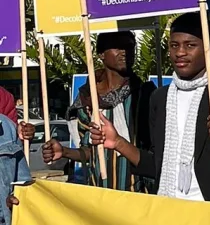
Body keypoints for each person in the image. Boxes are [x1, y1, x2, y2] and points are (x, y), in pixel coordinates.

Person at [90, 13, 210, 202]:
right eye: (174, 45)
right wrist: (118, 142)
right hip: (168, 211)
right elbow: (157, 167)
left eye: (190, 45)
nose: (180, 53)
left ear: (209, 48)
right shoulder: (160, 98)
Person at [32, 31, 155, 191]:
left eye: (130, 46)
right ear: (101, 54)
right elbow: (90, 151)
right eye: (117, 46)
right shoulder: (87, 99)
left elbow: (156, 152)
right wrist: (64, 152)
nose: (125, 52)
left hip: (139, 195)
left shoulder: (146, 95)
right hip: (99, 195)